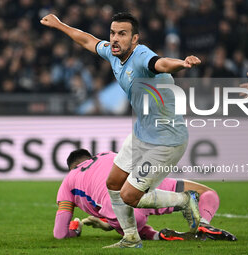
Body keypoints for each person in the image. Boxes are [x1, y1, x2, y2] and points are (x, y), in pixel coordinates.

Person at [41, 12, 202, 248]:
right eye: (113, 33)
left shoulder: (141, 55)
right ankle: (130, 238)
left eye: (122, 34)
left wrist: (182, 63)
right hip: (142, 132)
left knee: (129, 196)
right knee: (113, 182)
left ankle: (184, 200)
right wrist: (59, 25)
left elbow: (161, 63)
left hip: (166, 138)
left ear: (134, 39)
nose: (115, 39)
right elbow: (87, 40)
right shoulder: (113, 52)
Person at [54, 149, 237, 242]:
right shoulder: (107, 154)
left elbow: (60, 234)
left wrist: (75, 230)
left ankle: (157, 236)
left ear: (72, 168)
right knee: (207, 193)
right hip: (146, 185)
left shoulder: (69, 180)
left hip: (124, 213)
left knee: (128, 222)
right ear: (91, 156)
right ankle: (203, 224)